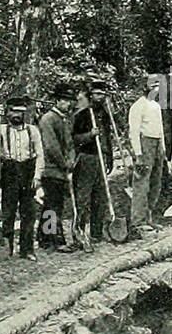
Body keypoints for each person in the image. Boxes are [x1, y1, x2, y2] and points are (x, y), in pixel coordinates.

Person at [0, 95, 43, 259]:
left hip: (28, 172)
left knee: (28, 213)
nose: (16, 115)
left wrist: (37, 176)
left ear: (25, 114)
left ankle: (27, 249)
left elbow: (40, 155)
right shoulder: (2, 129)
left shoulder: (33, 131)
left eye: (20, 112)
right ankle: (6, 247)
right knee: (8, 213)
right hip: (9, 173)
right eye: (13, 112)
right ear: (8, 113)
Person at [72, 79, 115, 245]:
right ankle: (79, 232)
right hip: (87, 158)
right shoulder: (83, 115)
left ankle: (96, 233)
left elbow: (107, 138)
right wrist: (90, 135)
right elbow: (74, 139)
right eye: (97, 94)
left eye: (103, 94)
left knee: (100, 196)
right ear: (91, 96)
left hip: (101, 158)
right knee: (83, 197)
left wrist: (109, 157)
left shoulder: (105, 115)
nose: (100, 97)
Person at [38, 84, 78, 251]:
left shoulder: (65, 119)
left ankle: (50, 236)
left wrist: (72, 161)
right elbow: (50, 145)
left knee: (57, 205)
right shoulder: (48, 119)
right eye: (65, 100)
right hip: (50, 168)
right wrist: (64, 163)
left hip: (63, 169)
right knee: (51, 205)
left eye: (70, 101)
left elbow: (70, 144)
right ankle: (49, 239)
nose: (68, 104)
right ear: (57, 101)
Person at [128, 74, 166, 233]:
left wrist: (163, 147)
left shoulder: (156, 106)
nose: (156, 89)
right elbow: (134, 132)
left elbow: (160, 128)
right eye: (153, 86)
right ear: (146, 87)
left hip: (157, 144)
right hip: (145, 145)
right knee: (142, 182)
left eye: (158, 86)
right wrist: (138, 154)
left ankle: (149, 217)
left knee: (155, 182)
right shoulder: (138, 106)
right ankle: (137, 220)